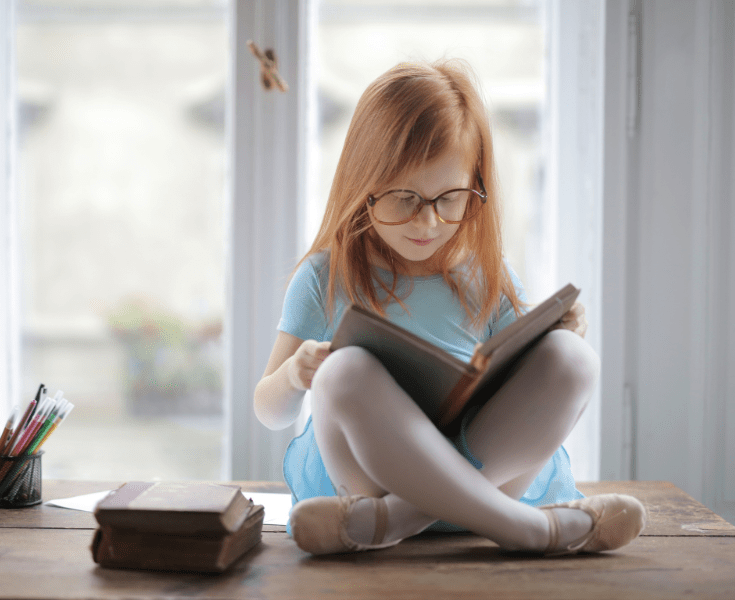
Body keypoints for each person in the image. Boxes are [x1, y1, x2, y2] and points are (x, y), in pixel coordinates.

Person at [253, 59, 646, 556]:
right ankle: (530, 530)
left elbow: (528, 380)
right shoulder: (325, 276)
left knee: (573, 358)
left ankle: (398, 520)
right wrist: (294, 375)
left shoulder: (486, 274)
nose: (428, 222)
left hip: (470, 478)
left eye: (450, 198)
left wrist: (557, 332)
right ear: (363, 185)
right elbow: (268, 411)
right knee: (342, 373)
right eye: (404, 198)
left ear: (475, 188)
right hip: (369, 481)